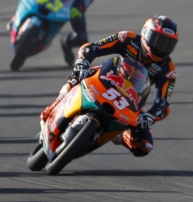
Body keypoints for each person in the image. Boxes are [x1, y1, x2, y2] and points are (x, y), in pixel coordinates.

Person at [41, 15, 178, 157]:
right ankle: (50, 111)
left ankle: (116, 132)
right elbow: (93, 48)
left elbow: (162, 104)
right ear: (145, 33)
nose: (161, 48)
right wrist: (82, 62)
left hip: (132, 99)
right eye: (158, 40)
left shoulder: (168, 69)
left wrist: (149, 117)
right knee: (77, 77)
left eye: (168, 44)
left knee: (144, 145)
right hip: (106, 77)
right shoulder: (127, 38)